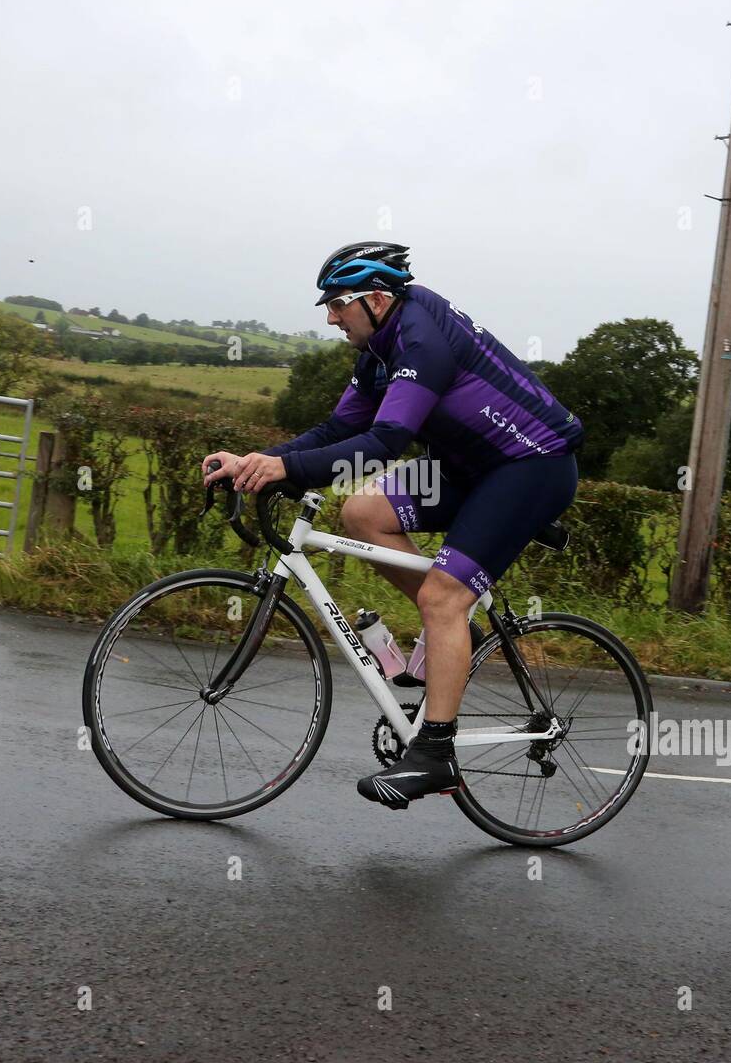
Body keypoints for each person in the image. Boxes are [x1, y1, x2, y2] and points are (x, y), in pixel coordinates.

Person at [203, 241, 583, 811]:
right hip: (469, 468)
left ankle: (435, 756)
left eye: (338, 304)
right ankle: (458, 633)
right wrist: (259, 461)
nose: (330, 317)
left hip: (531, 467)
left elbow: (386, 442)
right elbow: (337, 431)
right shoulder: (379, 351)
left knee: (443, 597)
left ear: (377, 298)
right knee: (362, 513)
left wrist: (285, 469)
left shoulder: (421, 339)